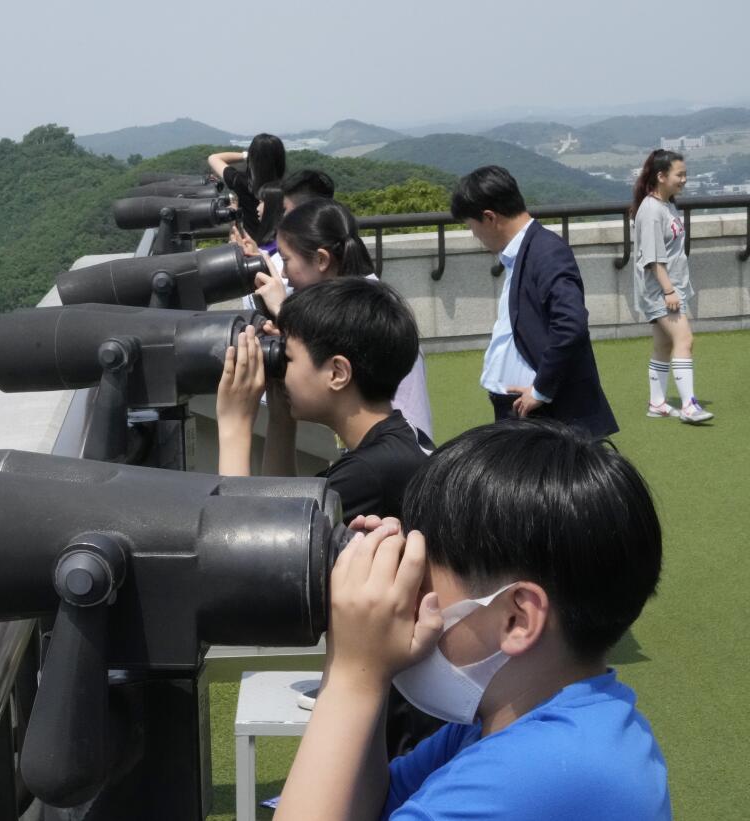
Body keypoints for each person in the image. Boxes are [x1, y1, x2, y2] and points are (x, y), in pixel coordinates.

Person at [274, 419, 670, 820]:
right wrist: (368, 664)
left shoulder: (539, 772)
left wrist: (351, 675)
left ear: (516, 619)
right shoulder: (519, 719)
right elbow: (372, 806)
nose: (405, 596)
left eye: (421, 578)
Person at [215, 276, 432, 523]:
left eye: (288, 357)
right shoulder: (394, 444)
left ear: (337, 373)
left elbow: (245, 540)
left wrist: (235, 424)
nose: (281, 369)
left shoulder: (367, 475)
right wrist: (280, 417)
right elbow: (281, 508)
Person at [450, 166, 618, 438]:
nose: (474, 235)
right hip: (525, 406)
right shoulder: (524, 251)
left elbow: (571, 323)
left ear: (489, 217)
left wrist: (541, 389)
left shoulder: (546, 251)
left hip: (542, 410)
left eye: (472, 226)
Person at [249, 198, 434, 440]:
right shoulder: (364, 300)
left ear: (322, 260)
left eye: (286, 260)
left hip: (392, 458)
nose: (284, 274)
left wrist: (284, 312)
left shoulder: (367, 314)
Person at [632, 149, 713, 423]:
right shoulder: (652, 210)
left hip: (669, 288)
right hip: (662, 291)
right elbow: (653, 258)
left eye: (685, 174)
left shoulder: (666, 204)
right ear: (661, 176)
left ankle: (657, 403)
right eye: (680, 175)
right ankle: (689, 406)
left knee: (664, 346)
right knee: (684, 340)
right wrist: (669, 291)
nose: (684, 180)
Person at [207, 133, 286, 244]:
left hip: (251, 247)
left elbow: (213, 158)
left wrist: (245, 155)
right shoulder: (288, 190)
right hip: (279, 248)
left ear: (252, 159)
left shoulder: (241, 182)